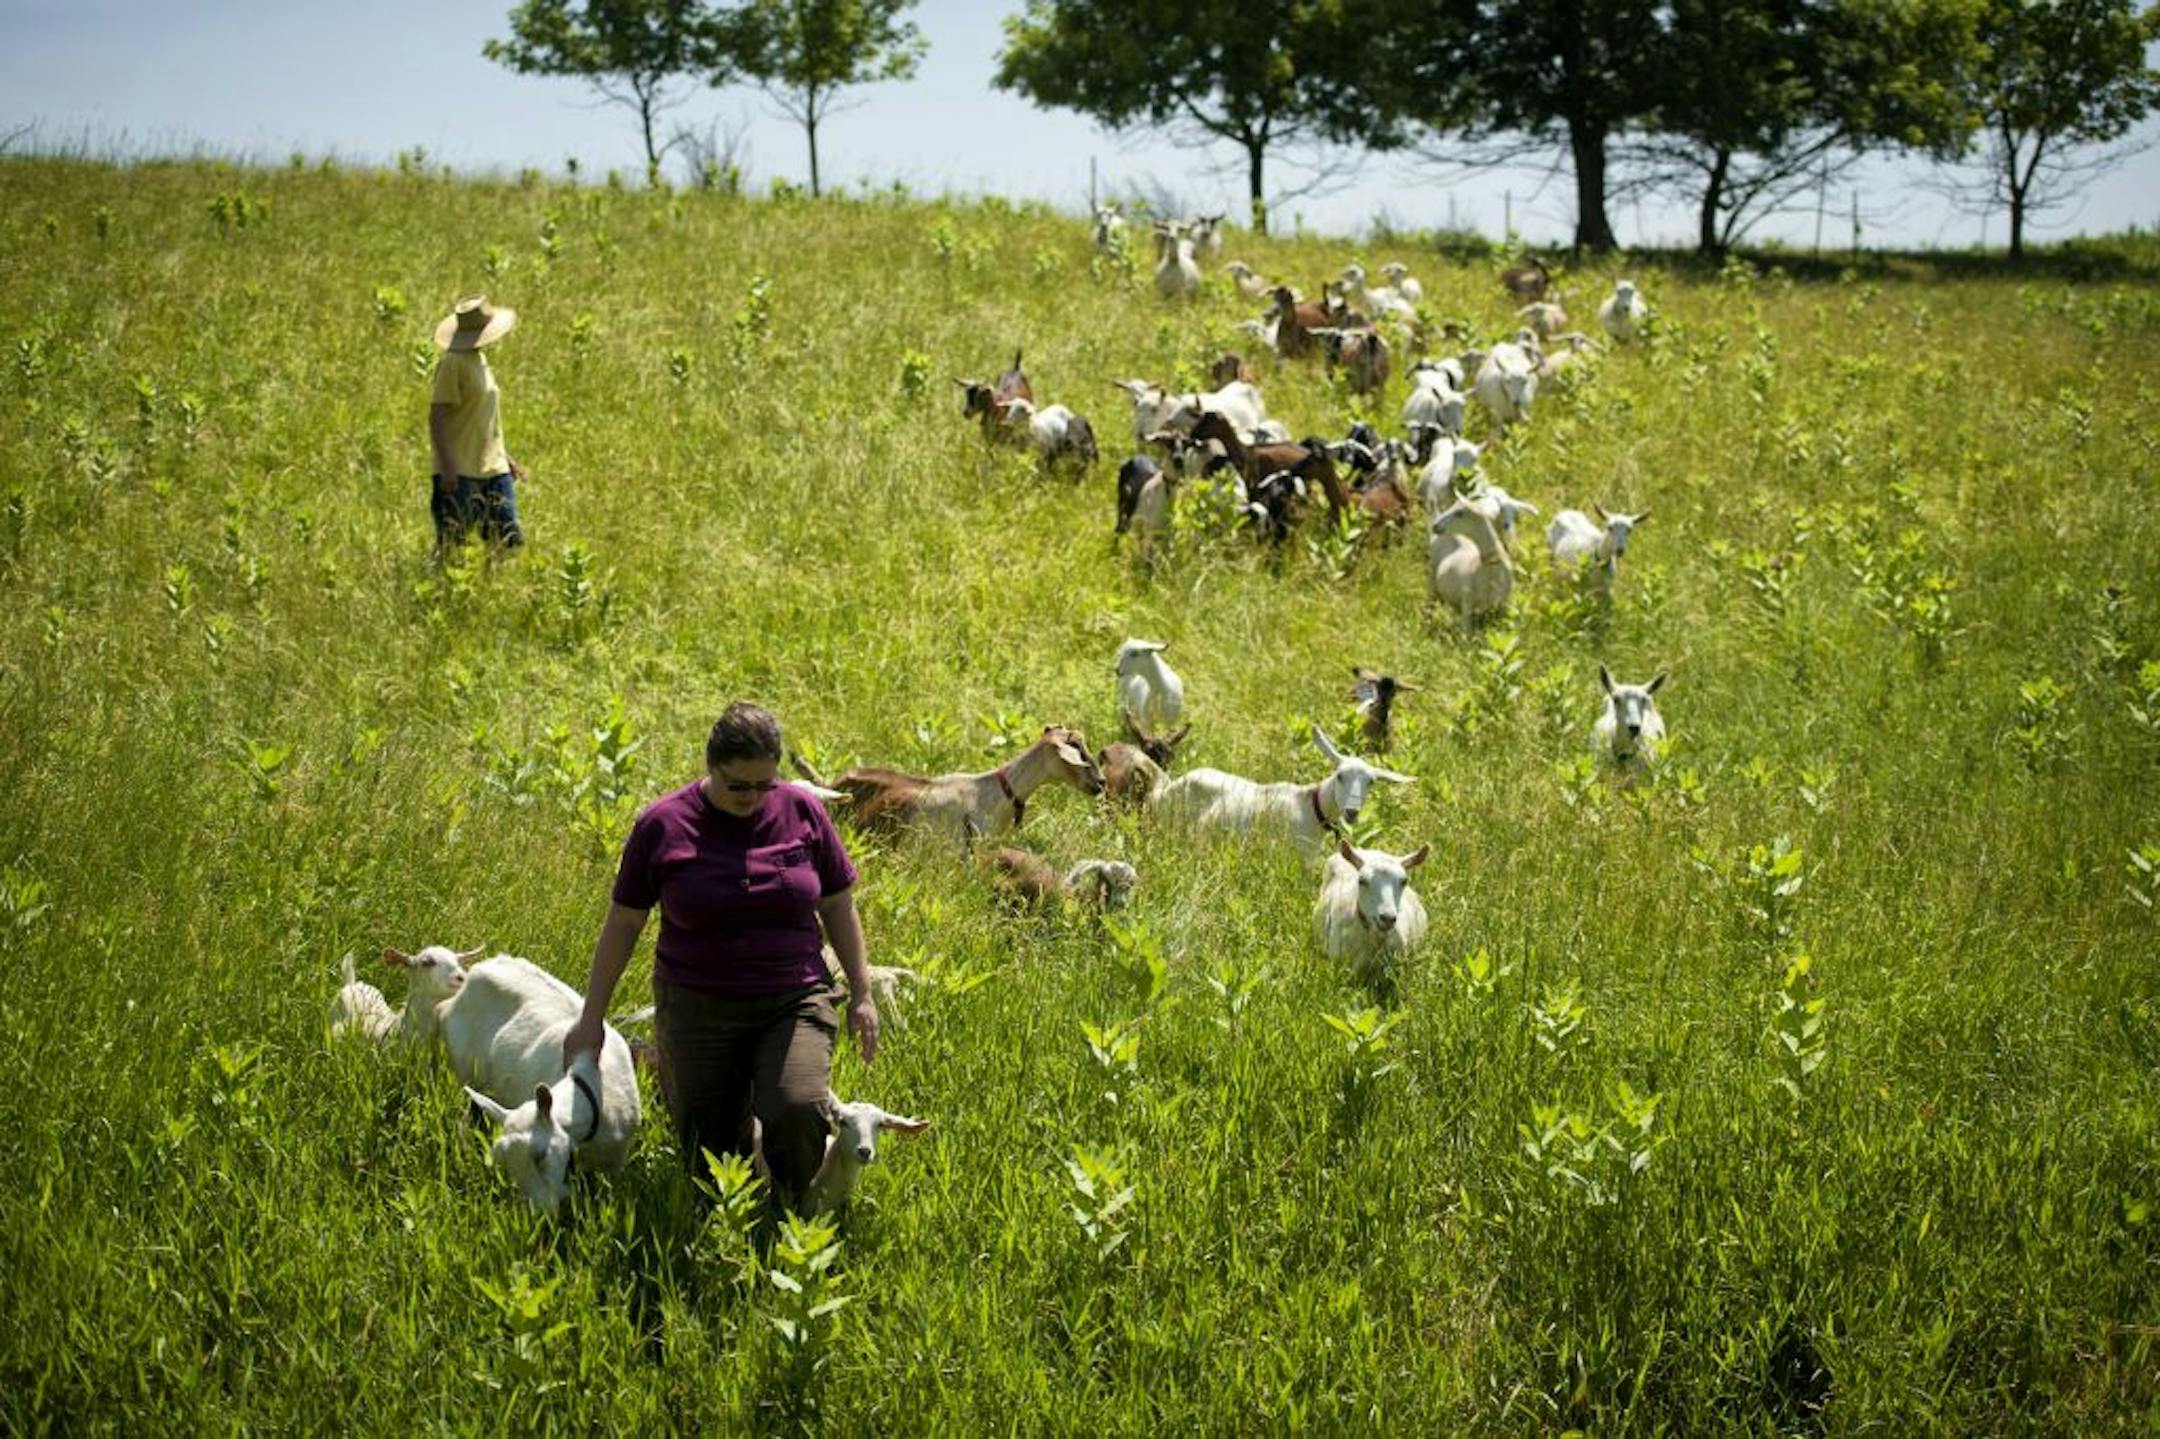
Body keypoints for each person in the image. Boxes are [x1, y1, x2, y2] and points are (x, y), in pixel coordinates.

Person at [562, 702, 879, 1213]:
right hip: (698, 1007)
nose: (752, 798)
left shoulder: (802, 812)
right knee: (711, 1160)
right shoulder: (663, 825)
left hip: (792, 996)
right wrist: (591, 1019)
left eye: (764, 785)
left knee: (797, 1110)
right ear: (712, 767)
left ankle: (793, 1209)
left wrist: (862, 993)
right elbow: (624, 923)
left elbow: (839, 904)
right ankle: (740, 1203)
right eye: (738, 786)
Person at [428, 294, 525, 550]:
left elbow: (483, 418)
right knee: (452, 547)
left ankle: (493, 586)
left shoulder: (479, 360)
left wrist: (506, 458)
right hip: (460, 473)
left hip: (494, 470)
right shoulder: (453, 363)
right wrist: (448, 467)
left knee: (507, 541)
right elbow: (436, 417)